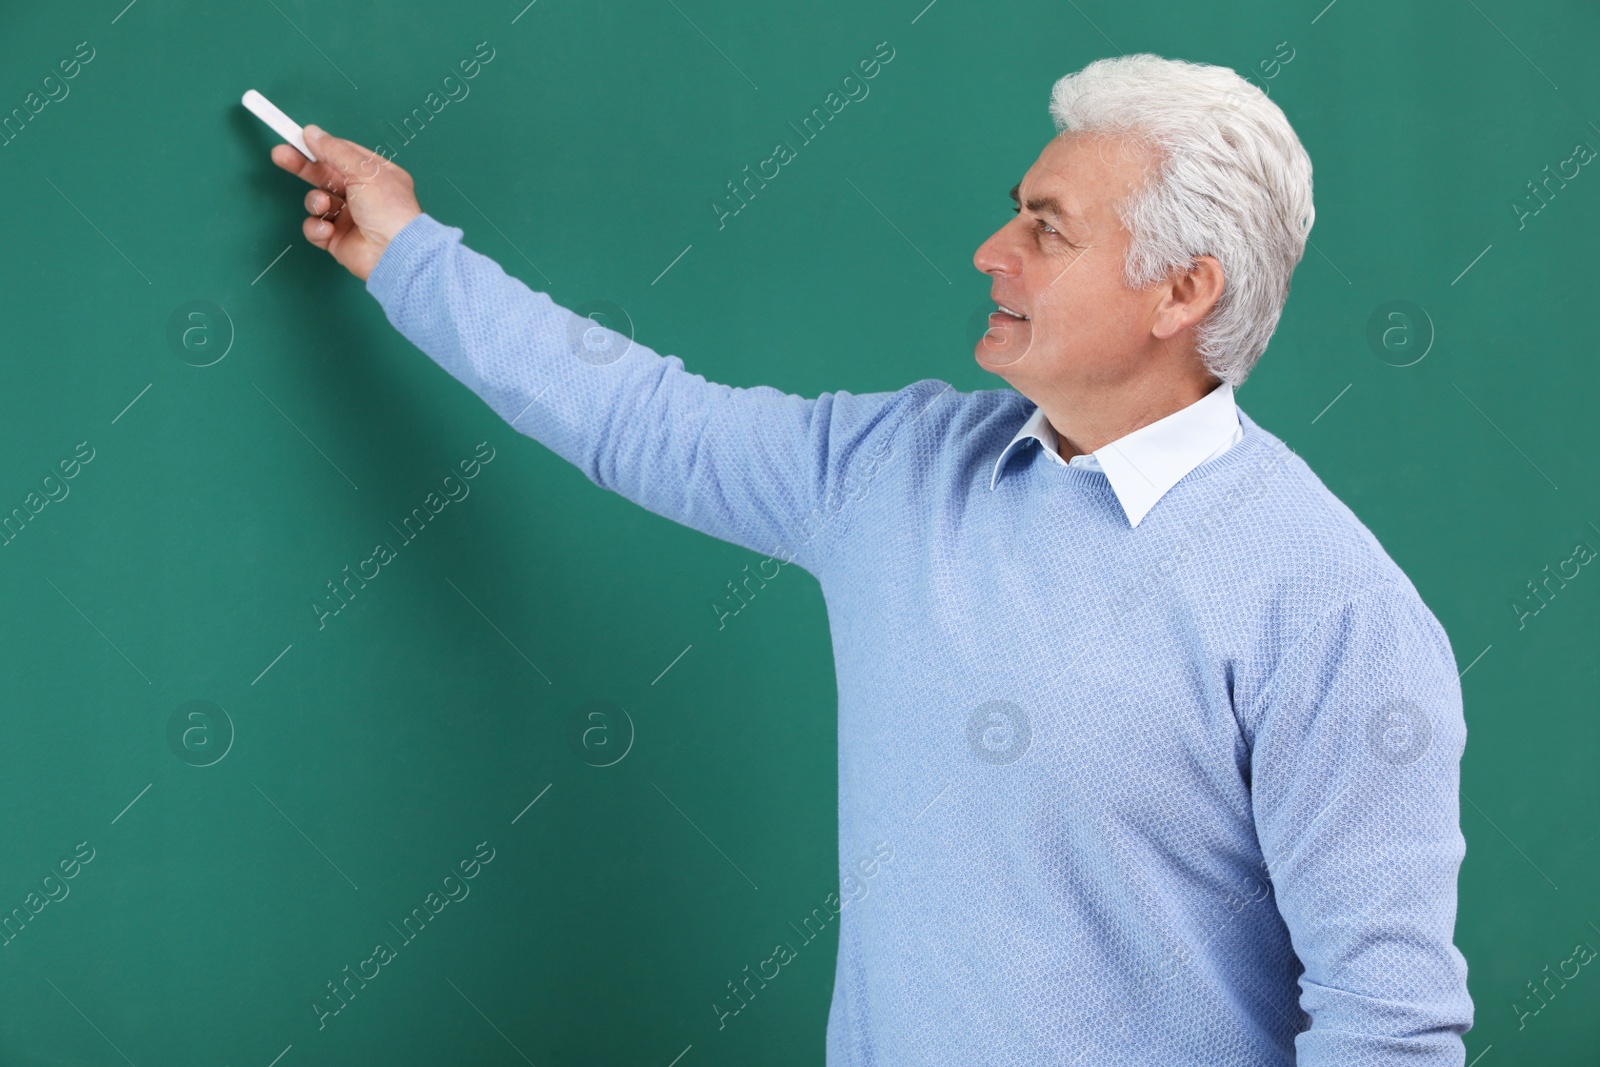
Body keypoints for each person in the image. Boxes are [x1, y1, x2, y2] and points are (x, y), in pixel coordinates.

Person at [270, 52, 1473, 1066]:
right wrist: (409, 250)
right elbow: (644, 419)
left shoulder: (1327, 607)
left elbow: (1389, 1023)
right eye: (1016, 209)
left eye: (1045, 231)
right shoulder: (898, 468)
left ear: (1180, 292)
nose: (989, 251)